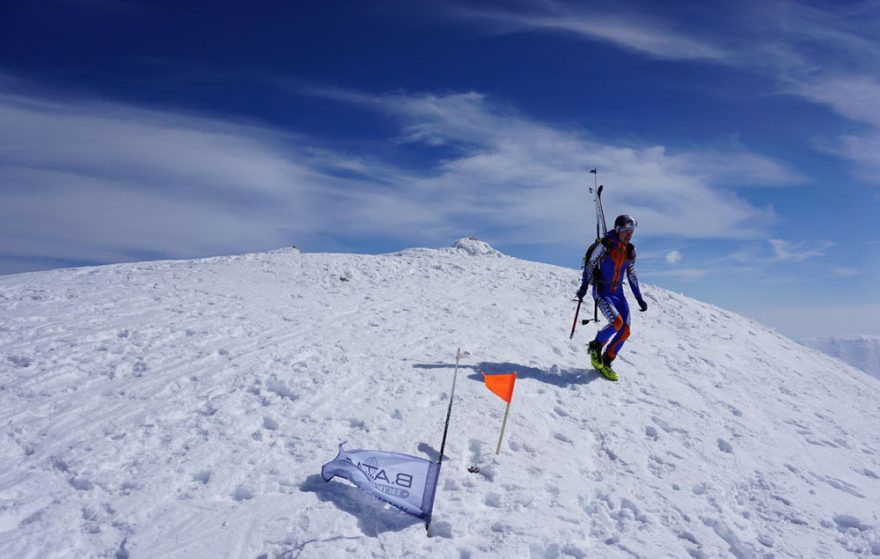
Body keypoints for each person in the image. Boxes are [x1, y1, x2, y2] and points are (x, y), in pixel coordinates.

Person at [576, 214, 648, 381]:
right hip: (603, 291)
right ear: (617, 229)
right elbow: (590, 265)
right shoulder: (604, 245)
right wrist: (584, 287)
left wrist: (639, 297)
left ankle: (607, 361)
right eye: (625, 230)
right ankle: (595, 347)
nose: (629, 234)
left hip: (618, 294)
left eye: (632, 231)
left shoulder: (630, 250)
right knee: (616, 323)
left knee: (626, 330)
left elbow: (631, 273)